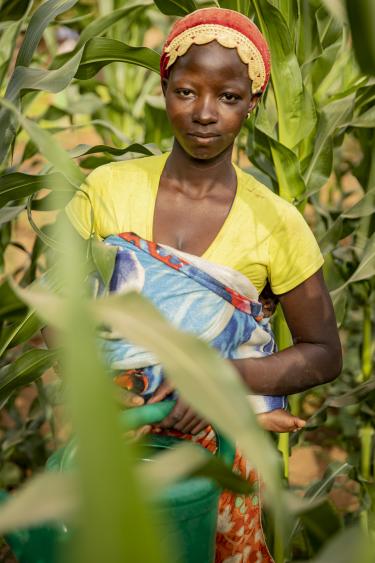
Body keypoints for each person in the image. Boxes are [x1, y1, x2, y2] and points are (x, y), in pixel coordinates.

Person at [65, 8, 342, 561]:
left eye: (229, 98)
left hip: (220, 459)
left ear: (252, 104)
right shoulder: (107, 191)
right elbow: (53, 319)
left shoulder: (275, 222)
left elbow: (323, 353)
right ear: (163, 88)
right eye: (187, 92)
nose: (205, 114)